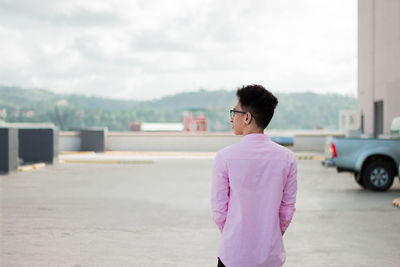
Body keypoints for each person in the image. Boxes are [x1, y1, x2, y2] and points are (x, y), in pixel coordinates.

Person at [211, 85, 297, 267]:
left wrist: (234, 237)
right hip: (270, 257)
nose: (232, 118)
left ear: (247, 118)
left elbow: (219, 211)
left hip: (232, 256)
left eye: (235, 112)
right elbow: (287, 209)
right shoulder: (287, 158)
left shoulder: (225, 156)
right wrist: (270, 236)